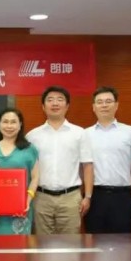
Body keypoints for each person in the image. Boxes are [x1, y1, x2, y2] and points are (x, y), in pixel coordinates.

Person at [26, 86, 93, 234]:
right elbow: (27, 169)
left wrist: (87, 196)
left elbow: (87, 166)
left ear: (67, 106)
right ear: (43, 106)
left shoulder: (79, 133)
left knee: (70, 244)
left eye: (60, 99)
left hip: (70, 199)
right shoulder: (32, 136)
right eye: (50, 100)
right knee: (42, 244)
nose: (55, 103)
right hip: (41, 198)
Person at [85, 86, 131, 233]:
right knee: (94, 241)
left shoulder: (130, 132)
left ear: (116, 105)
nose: (104, 105)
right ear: (94, 107)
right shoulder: (85, 134)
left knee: (123, 242)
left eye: (108, 101)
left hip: (122, 196)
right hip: (95, 196)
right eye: (100, 102)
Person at [0, 108, 39, 235]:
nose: (9, 126)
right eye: (5, 122)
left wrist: (27, 201)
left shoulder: (30, 149)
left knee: (21, 245)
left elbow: (35, 178)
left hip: (22, 209)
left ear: (20, 125)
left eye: (13, 122)